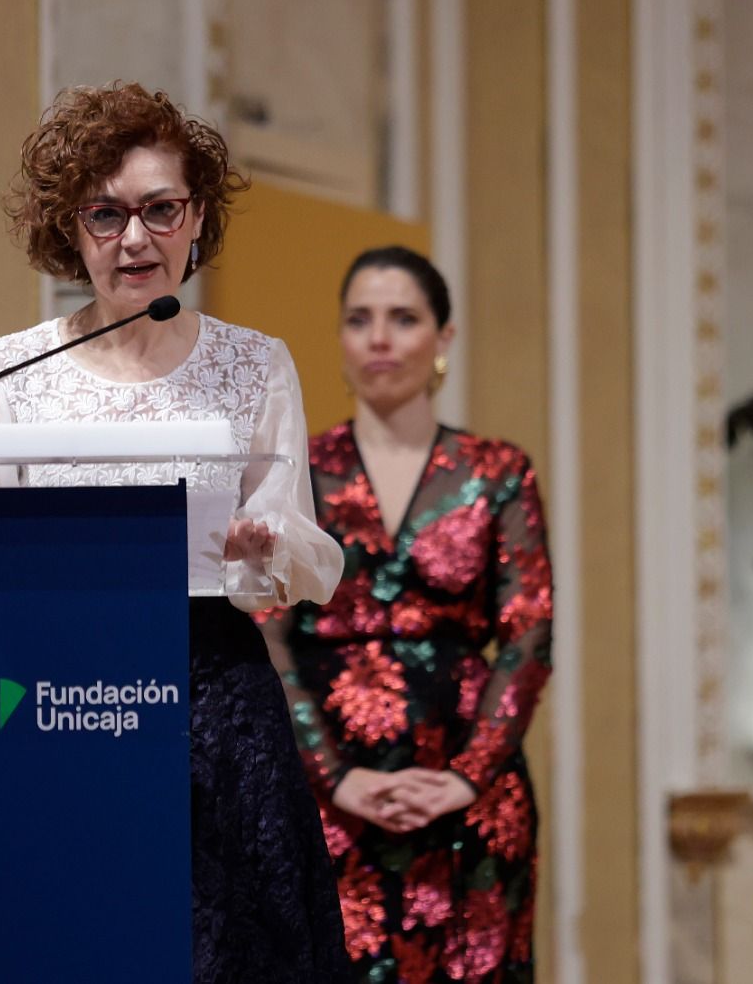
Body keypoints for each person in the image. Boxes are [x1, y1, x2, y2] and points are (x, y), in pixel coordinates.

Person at [0, 83, 351, 983]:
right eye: (106, 214)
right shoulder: (3, 375)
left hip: (213, 708)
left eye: (160, 209)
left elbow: (312, 561)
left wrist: (265, 547)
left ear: (196, 222)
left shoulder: (254, 364)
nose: (135, 239)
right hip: (45, 706)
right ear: (68, 228)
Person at [259, 245, 553, 982]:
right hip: (326, 800)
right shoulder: (295, 471)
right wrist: (333, 775)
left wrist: (466, 775)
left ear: (444, 337)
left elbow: (528, 632)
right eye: (359, 320)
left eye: (403, 318)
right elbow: (269, 634)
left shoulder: (498, 472)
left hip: (469, 804)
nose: (379, 338)